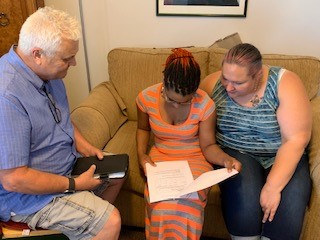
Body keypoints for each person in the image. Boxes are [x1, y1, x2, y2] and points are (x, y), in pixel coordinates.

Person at [0, 7, 124, 240]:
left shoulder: (49, 74)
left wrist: (85, 146)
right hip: (28, 198)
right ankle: (95, 225)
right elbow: (14, 178)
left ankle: (83, 228)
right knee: (111, 221)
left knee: (116, 173)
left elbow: (60, 120)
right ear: (38, 54)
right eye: (67, 58)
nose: (74, 63)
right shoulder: (7, 96)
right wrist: (74, 184)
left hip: (65, 169)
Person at [200, 43, 312, 240]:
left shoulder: (285, 83)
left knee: (290, 202)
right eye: (225, 78)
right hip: (236, 151)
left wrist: (272, 187)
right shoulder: (211, 84)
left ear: (258, 75)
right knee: (244, 200)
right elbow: (192, 115)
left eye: (238, 82)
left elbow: (296, 139)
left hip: (283, 152)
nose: (228, 87)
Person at [136, 48, 242, 240]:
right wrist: (142, 155)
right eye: (170, 99)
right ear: (164, 82)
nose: (176, 105)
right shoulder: (146, 98)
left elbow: (208, 146)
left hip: (194, 159)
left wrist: (226, 159)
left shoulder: (205, 105)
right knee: (161, 208)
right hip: (161, 158)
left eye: (184, 102)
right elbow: (143, 129)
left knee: (187, 207)